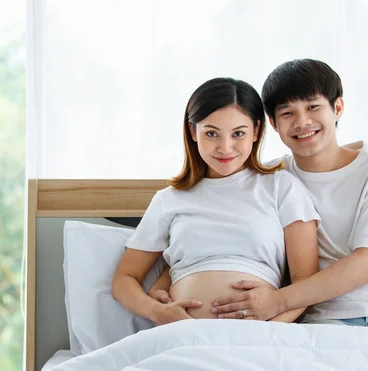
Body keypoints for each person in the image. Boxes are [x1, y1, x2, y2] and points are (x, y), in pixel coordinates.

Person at [210, 59, 368, 334]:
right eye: (287, 113)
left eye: (313, 107)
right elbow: (213, 216)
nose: (302, 122)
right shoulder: (271, 178)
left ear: (337, 108)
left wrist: (277, 301)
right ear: (273, 123)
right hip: (323, 320)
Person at [111, 77, 321, 326]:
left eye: (238, 133)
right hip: (182, 338)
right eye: (211, 133)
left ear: (256, 131)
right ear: (193, 132)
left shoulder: (281, 187)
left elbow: (306, 283)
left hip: (257, 338)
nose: (225, 147)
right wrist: (157, 312)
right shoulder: (169, 200)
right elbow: (124, 279)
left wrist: (270, 329)